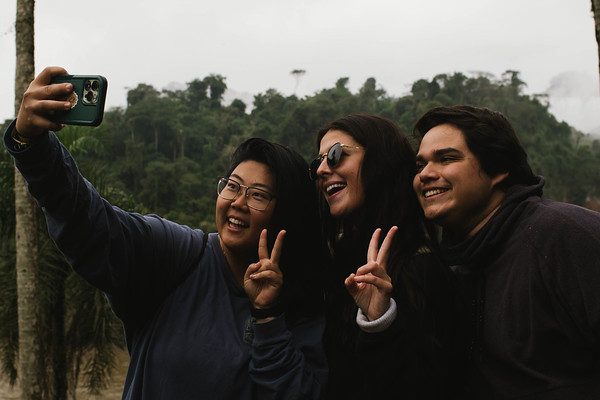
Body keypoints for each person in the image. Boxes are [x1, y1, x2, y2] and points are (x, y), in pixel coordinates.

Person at [5, 66, 327, 399]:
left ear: (284, 212)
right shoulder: (178, 255)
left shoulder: (301, 300)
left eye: (258, 194)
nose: (238, 203)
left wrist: (268, 317)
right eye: (232, 186)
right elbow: (90, 222)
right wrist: (34, 146)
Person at [412, 105, 600, 399]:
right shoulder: (455, 265)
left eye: (446, 158)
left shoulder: (566, 234)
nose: (425, 174)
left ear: (498, 168)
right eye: (420, 165)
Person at [310, 113, 465, 399]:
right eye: (317, 162)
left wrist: (380, 321)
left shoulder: (418, 265)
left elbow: (432, 383)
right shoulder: (342, 261)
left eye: (334, 155)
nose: (321, 169)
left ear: (380, 162)